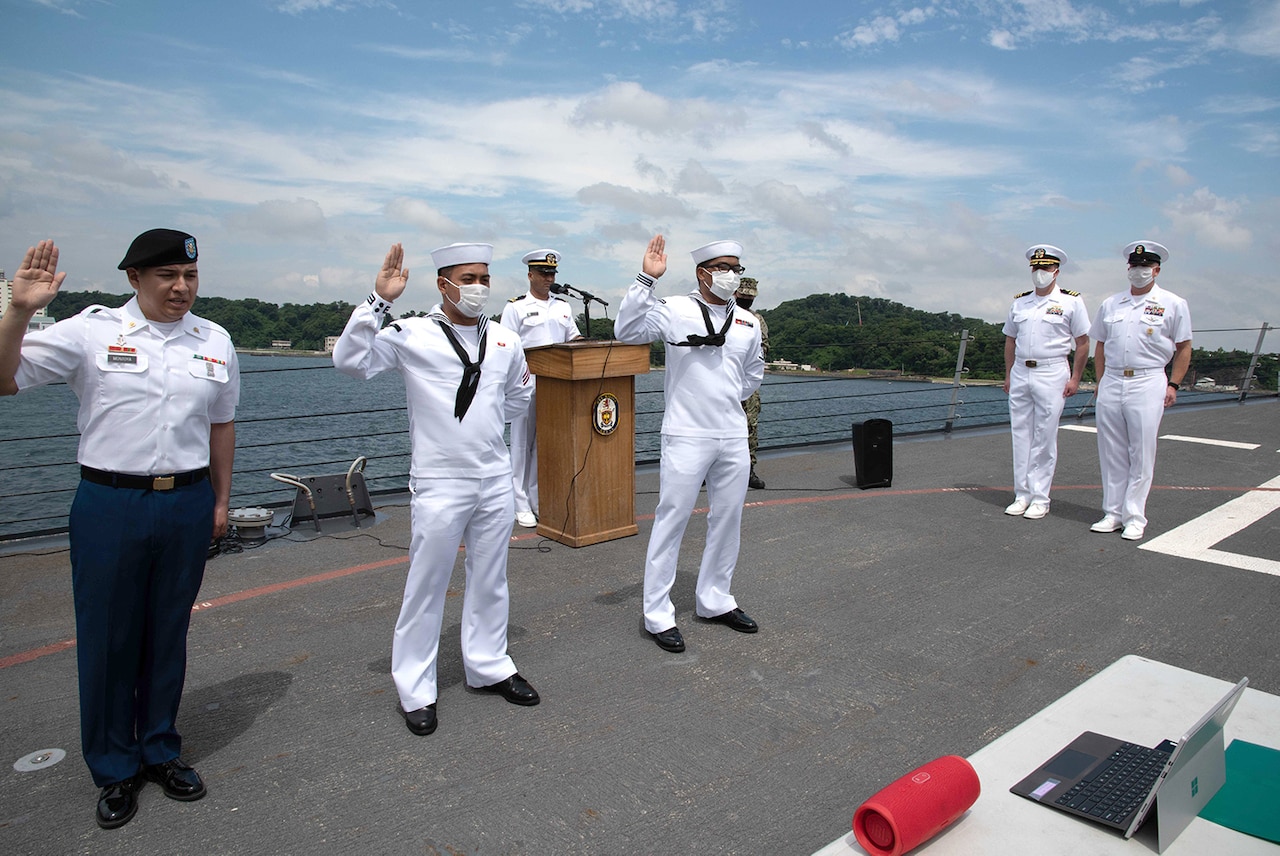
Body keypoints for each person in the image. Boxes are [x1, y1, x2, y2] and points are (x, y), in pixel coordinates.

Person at [0, 231, 238, 829]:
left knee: (167, 632)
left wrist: (220, 501)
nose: (180, 287)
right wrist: (20, 311)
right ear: (134, 278)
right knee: (109, 637)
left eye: (190, 276)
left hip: (185, 502)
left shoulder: (216, 339)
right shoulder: (91, 330)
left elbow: (221, 426)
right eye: (165, 276)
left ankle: (160, 749)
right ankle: (113, 767)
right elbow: (5, 379)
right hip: (110, 501)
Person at [333, 242, 540, 737]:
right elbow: (350, 361)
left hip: (492, 477)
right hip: (440, 480)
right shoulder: (412, 334)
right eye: (469, 278)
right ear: (444, 283)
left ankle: (489, 664)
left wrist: (480, 428)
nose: (479, 288)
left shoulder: (505, 339)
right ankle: (415, 688)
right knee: (426, 586)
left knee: (491, 577)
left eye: (485, 278)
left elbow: (520, 393)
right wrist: (377, 302)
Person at [614, 236, 765, 653]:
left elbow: (752, 374)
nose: (732, 275)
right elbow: (626, 331)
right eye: (723, 268)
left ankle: (715, 599)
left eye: (736, 267)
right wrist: (647, 278)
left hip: (731, 433)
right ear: (703, 272)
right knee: (672, 520)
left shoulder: (748, 323)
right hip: (685, 433)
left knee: (728, 519)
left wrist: (722, 399)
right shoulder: (676, 309)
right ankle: (657, 614)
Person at [1088, 241, 1192, 541]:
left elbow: (1184, 347)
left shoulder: (1173, 304)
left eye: (1145, 266)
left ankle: (1134, 515)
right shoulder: (1111, 304)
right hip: (1112, 380)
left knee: (1141, 450)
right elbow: (1101, 346)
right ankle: (1113, 512)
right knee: (1111, 450)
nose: (1138, 271)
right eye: (1134, 266)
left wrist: (1173, 384)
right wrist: (1101, 380)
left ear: (1156, 270)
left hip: (1148, 381)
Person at [1001, 245, 1090, 520]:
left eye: (1045, 268)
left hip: (1052, 372)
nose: (1040, 273)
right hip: (1021, 371)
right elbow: (1010, 340)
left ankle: (1040, 497)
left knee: (1044, 436)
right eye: (1035, 268)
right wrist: (1008, 373)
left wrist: (1076, 377)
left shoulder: (1071, 302)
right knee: (1021, 434)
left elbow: (1083, 342)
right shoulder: (1020, 303)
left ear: (1056, 271)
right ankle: (1022, 494)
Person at [499, 249, 583, 528]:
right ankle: (519, 501)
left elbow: (573, 337)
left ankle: (537, 498)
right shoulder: (516, 308)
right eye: (544, 273)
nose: (549, 278)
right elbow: (505, 349)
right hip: (526, 386)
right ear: (530, 275)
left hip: (556, 388)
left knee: (544, 445)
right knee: (521, 445)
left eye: (553, 273)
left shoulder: (563, 307)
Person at [734, 276, 770, 489]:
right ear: (735, 293)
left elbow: (764, 347)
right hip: (722, 382)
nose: (746, 299)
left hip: (747, 383)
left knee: (750, 427)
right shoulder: (722, 315)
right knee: (714, 425)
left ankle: (748, 471)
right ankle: (708, 469)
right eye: (743, 295)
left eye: (750, 297)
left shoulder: (757, 320)